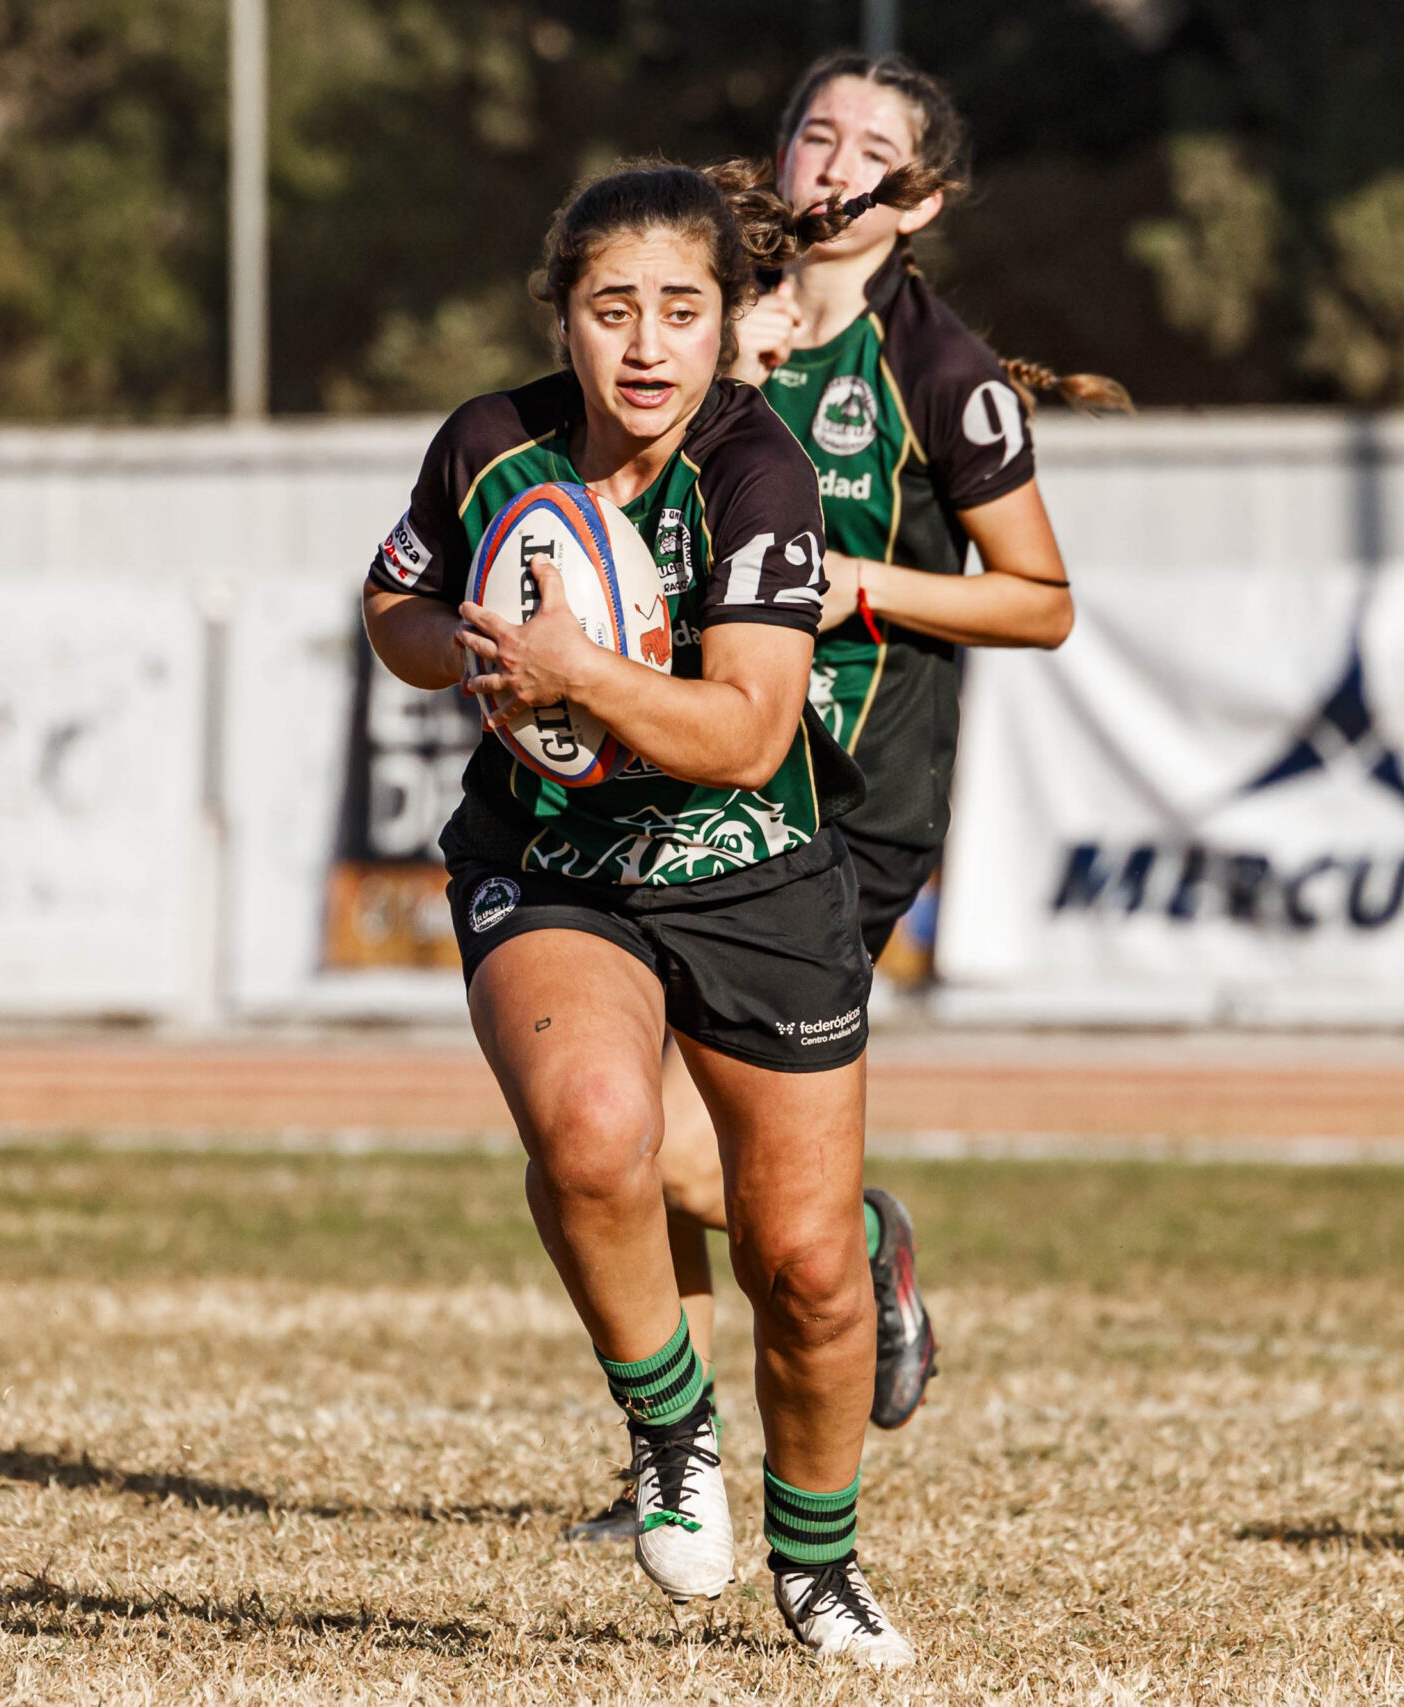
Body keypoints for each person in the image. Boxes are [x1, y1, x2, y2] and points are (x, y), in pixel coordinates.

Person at [361, 158, 934, 1668]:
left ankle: (819, 1563)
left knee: (808, 1271)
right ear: (562, 318)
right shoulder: (490, 446)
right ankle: (669, 1427)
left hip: (756, 874)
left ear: (729, 320)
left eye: (682, 310)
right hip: (552, 868)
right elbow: (394, 608)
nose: (646, 345)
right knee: (591, 1135)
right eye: (612, 308)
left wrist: (576, 674)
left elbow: (745, 735)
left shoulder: (760, 472)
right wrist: (469, 652)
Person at [564, 51, 1128, 1543]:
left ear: (919, 199)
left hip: (847, 803)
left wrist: (855, 584)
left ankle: (859, 1248)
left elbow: (1045, 603)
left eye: (867, 146)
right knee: (617, 1123)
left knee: (696, 1138)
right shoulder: (709, 324)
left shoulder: (934, 372)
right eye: (813, 133)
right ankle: (664, 1466)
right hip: (676, 774)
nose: (827, 164)